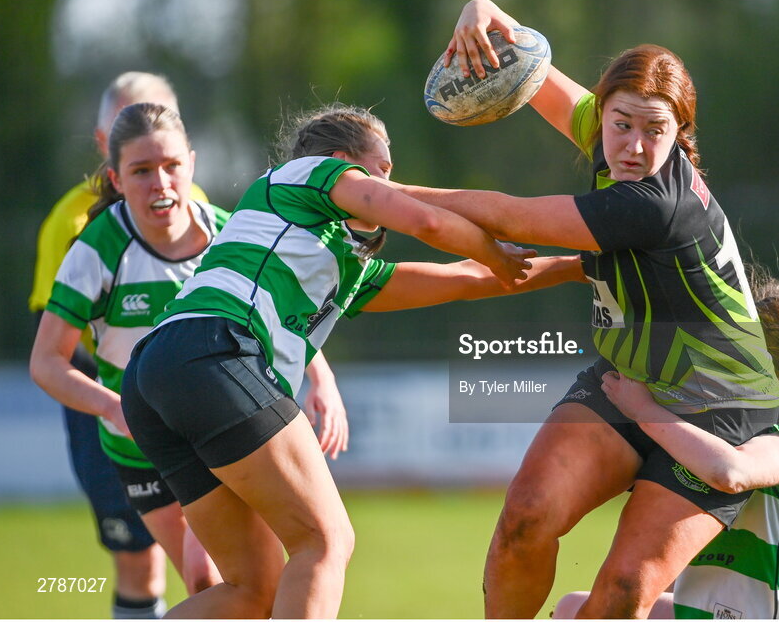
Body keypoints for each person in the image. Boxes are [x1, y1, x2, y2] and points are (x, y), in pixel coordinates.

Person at [394, 0, 779, 617]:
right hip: (627, 379)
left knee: (624, 589)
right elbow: (532, 73)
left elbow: (508, 215)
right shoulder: (611, 141)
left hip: (716, 406)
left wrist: (374, 195)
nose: (633, 145)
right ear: (602, 115)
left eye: (655, 130)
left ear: (679, 136)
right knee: (523, 519)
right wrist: (482, 12)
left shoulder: (654, 202)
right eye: (621, 123)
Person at [119, 103, 584, 618]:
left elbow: (468, 279)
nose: (389, 183)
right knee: (326, 540)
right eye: (381, 170)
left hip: (157, 374)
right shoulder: (307, 173)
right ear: (343, 162)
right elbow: (427, 220)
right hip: (212, 350)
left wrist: (579, 266)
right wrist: (495, 249)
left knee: (254, 590)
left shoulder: (337, 263)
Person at [558, 276, 779, 619]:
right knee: (574, 608)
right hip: (701, 610)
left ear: (767, 359)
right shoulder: (745, 413)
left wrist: (645, 412)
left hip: (760, 615)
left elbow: (732, 473)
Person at [27, 72, 192, 618]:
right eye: (140, 167)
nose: (160, 182)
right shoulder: (78, 228)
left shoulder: (206, 216)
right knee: (140, 563)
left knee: (221, 573)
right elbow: (62, 348)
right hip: (112, 412)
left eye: (170, 162)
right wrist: (120, 404)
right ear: (108, 151)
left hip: (195, 415)